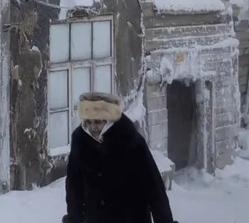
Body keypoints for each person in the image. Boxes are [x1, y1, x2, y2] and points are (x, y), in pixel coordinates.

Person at [63, 91, 175, 223]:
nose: (93, 127)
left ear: (109, 121)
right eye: (88, 122)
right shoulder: (80, 141)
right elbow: (74, 187)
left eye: (98, 122)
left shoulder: (130, 140)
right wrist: (74, 218)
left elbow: (154, 186)